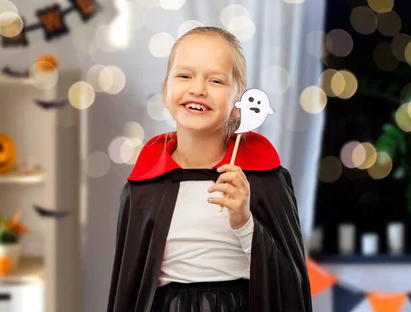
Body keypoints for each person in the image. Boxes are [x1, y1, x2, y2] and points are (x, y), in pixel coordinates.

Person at [106, 26, 312, 312]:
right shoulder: (143, 187)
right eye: (184, 75)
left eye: (216, 80)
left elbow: (289, 286)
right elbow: (129, 289)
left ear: (238, 104)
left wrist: (244, 221)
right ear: (166, 91)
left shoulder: (266, 180)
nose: (198, 89)